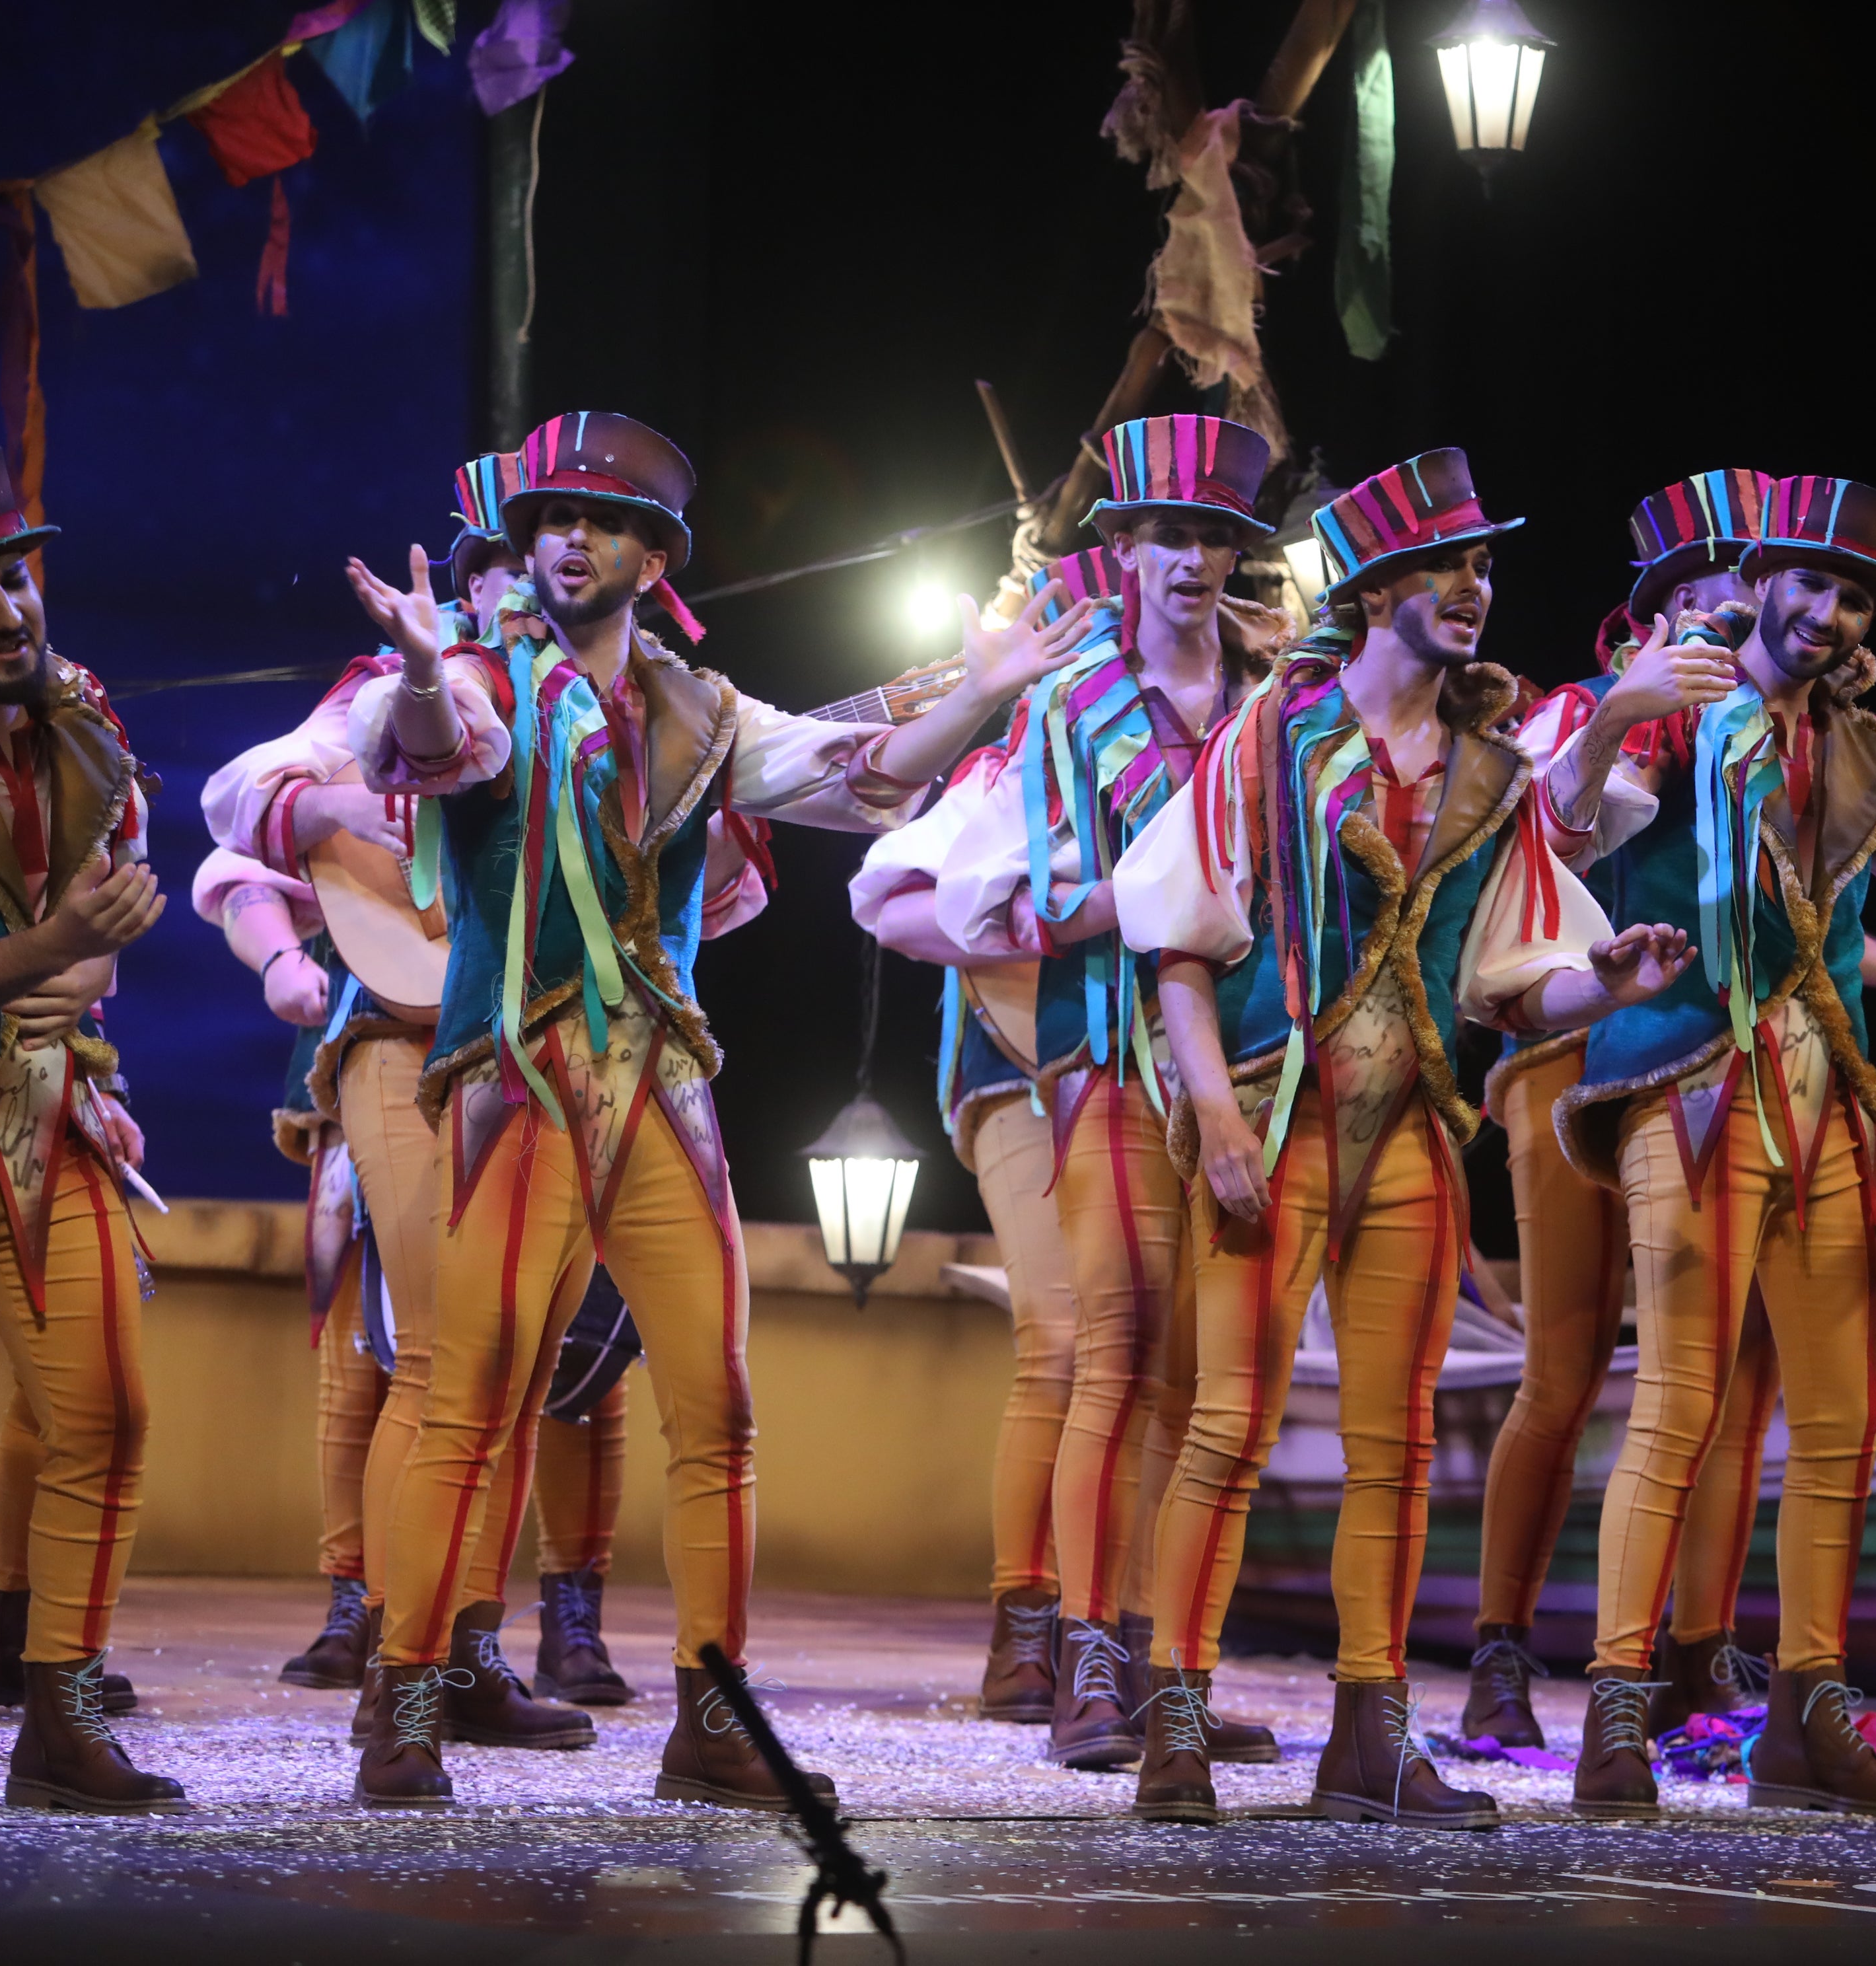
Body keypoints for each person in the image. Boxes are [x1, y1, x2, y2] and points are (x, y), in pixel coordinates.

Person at [336, 410, 1089, 1808]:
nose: (572, 537)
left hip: (660, 1091)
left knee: (722, 1405)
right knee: (478, 1401)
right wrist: (433, 669)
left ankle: (713, 1712)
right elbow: (423, 749)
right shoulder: (489, 681)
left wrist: (982, 693)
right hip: (527, 1084)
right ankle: (406, 1700)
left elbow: (858, 776)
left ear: (652, 552)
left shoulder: (703, 710)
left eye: (604, 520)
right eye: (553, 516)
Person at [1111, 448, 1696, 1829]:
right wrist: (1211, 1115)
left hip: (1413, 1143)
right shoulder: (1276, 739)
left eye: (1483, 567)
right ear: (1377, 589)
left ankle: (1368, 1737)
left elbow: (1513, 979)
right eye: (1445, 566)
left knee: (1396, 1445)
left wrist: (1608, 984)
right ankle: (1174, 1726)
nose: (1473, 589)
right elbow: (1177, 949)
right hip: (1278, 1118)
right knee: (1227, 1431)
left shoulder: (1493, 778)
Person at [1535, 473, 1876, 1817]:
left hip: (1824, 1093)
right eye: (1815, 584)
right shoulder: (1666, 723)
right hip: (1688, 1083)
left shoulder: (1868, 752)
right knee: (1679, 1397)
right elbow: (1556, 830)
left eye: (1855, 599)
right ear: (1759, 578)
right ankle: (1617, 1705)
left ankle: (1808, 1704)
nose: (1831, 614)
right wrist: (1613, 714)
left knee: (1841, 1416)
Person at [196, 456, 762, 1727]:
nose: (522, 592)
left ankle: (462, 1649)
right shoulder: (413, 685)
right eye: (505, 564)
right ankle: (390, 1635)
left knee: (519, 1360)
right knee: (451, 1354)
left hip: (578, 1054)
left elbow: (720, 888)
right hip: (411, 1043)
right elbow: (236, 807)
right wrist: (387, 800)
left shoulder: (637, 708)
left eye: (556, 554)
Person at [923, 420, 1285, 1772]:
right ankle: (1084, 1661)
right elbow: (981, 894)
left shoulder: (1272, 699)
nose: (1194, 559)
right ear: (1122, 548)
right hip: (1107, 1061)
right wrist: (1113, 910)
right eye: (1169, 534)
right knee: (1112, 1356)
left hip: (1252, 1068)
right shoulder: (1072, 700)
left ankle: (1164, 1663)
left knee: (1202, 1386)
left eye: (1216, 537)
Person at [848, 550, 1117, 1730]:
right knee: (1060, 1336)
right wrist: (1022, 938)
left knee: (1144, 1355)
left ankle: (1127, 1637)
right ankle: (1027, 1624)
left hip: (1149, 1073)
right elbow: (893, 901)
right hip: (1016, 1065)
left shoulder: (1215, 753)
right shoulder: (1020, 760)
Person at [0, 445, 176, 1809]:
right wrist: (47, 950)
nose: (8, 611)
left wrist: (66, 961)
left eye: (13, 575)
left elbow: (105, 937)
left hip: (40, 1104)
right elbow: (61, 940)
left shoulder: (78, 729)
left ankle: (57, 1716)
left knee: (104, 1414)